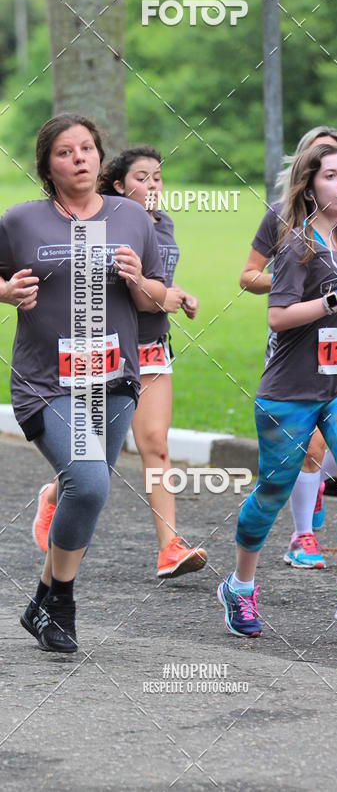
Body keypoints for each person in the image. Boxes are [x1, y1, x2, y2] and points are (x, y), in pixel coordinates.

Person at [0, 114, 167, 652]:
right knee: (90, 482)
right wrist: (6, 294)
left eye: (88, 148)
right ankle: (64, 602)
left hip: (112, 379)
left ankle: (40, 605)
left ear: (100, 156)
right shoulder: (21, 222)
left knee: (85, 493)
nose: (80, 157)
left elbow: (155, 299)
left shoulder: (132, 217)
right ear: (47, 166)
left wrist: (139, 279)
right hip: (45, 381)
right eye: (66, 151)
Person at [219, 143, 337, 637]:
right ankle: (240, 587)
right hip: (289, 391)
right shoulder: (296, 244)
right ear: (309, 186)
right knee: (271, 492)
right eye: (331, 175)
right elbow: (279, 314)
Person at [31, 147, 207, 578]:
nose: (153, 186)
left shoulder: (163, 226)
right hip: (110, 357)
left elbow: (154, 281)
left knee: (156, 446)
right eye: (143, 178)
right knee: (95, 465)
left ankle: (169, 547)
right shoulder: (108, 225)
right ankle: (53, 497)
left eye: (158, 177)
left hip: (153, 350)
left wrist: (175, 293)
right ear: (119, 186)